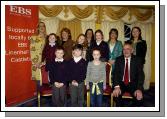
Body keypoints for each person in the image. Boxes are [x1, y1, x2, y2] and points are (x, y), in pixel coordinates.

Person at [112, 41, 145, 107]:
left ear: (132, 50)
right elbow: (115, 74)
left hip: (133, 84)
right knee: (116, 96)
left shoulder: (137, 60)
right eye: (124, 49)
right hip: (121, 83)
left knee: (139, 99)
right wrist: (117, 86)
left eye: (128, 49)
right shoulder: (118, 59)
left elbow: (141, 75)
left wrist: (139, 89)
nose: (126, 51)